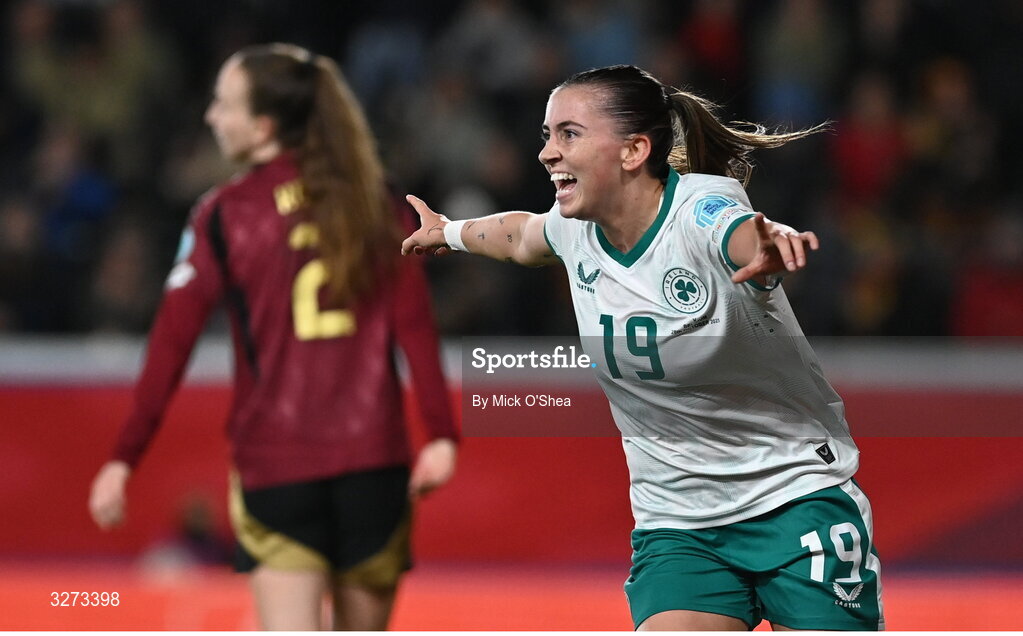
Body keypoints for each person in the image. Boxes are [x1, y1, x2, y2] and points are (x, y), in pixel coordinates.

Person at [402, 64, 883, 631]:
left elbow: (739, 232)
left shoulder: (699, 211)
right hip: (677, 522)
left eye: (568, 135)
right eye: (546, 136)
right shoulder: (573, 227)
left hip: (793, 497)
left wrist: (771, 245)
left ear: (633, 150)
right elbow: (520, 236)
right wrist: (451, 233)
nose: (546, 154)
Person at [88, 43, 458, 631]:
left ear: (262, 126)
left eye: (222, 104)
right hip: (374, 464)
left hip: (277, 466)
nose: (211, 116)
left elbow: (171, 343)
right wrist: (442, 434)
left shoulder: (223, 213)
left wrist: (123, 456)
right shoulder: (375, 203)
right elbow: (415, 326)